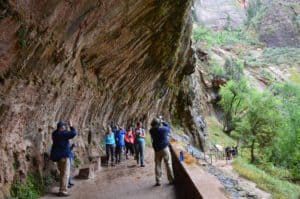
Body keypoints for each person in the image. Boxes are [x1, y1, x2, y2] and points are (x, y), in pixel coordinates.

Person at [50, 120, 77, 197]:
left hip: (58, 157)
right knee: (65, 174)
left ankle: (61, 189)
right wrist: (71, 126)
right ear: (61, 128)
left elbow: (58, 132)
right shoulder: (62, 134)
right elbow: (73, 133)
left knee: (62, 174)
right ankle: (63, 191)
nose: (65, 128)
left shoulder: (55, 134)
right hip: (64, 157)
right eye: (64, 127)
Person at [150, 117, 174, 186]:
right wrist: (163, 121)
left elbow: (154, 128)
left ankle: (158, 181)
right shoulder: (163, 129)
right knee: (168, 164)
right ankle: (171, 179)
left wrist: (159, 122)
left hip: (157, 150)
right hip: (164, 149)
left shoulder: (151, 131)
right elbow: (168, 127)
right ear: (159, 123)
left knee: (157, 165)